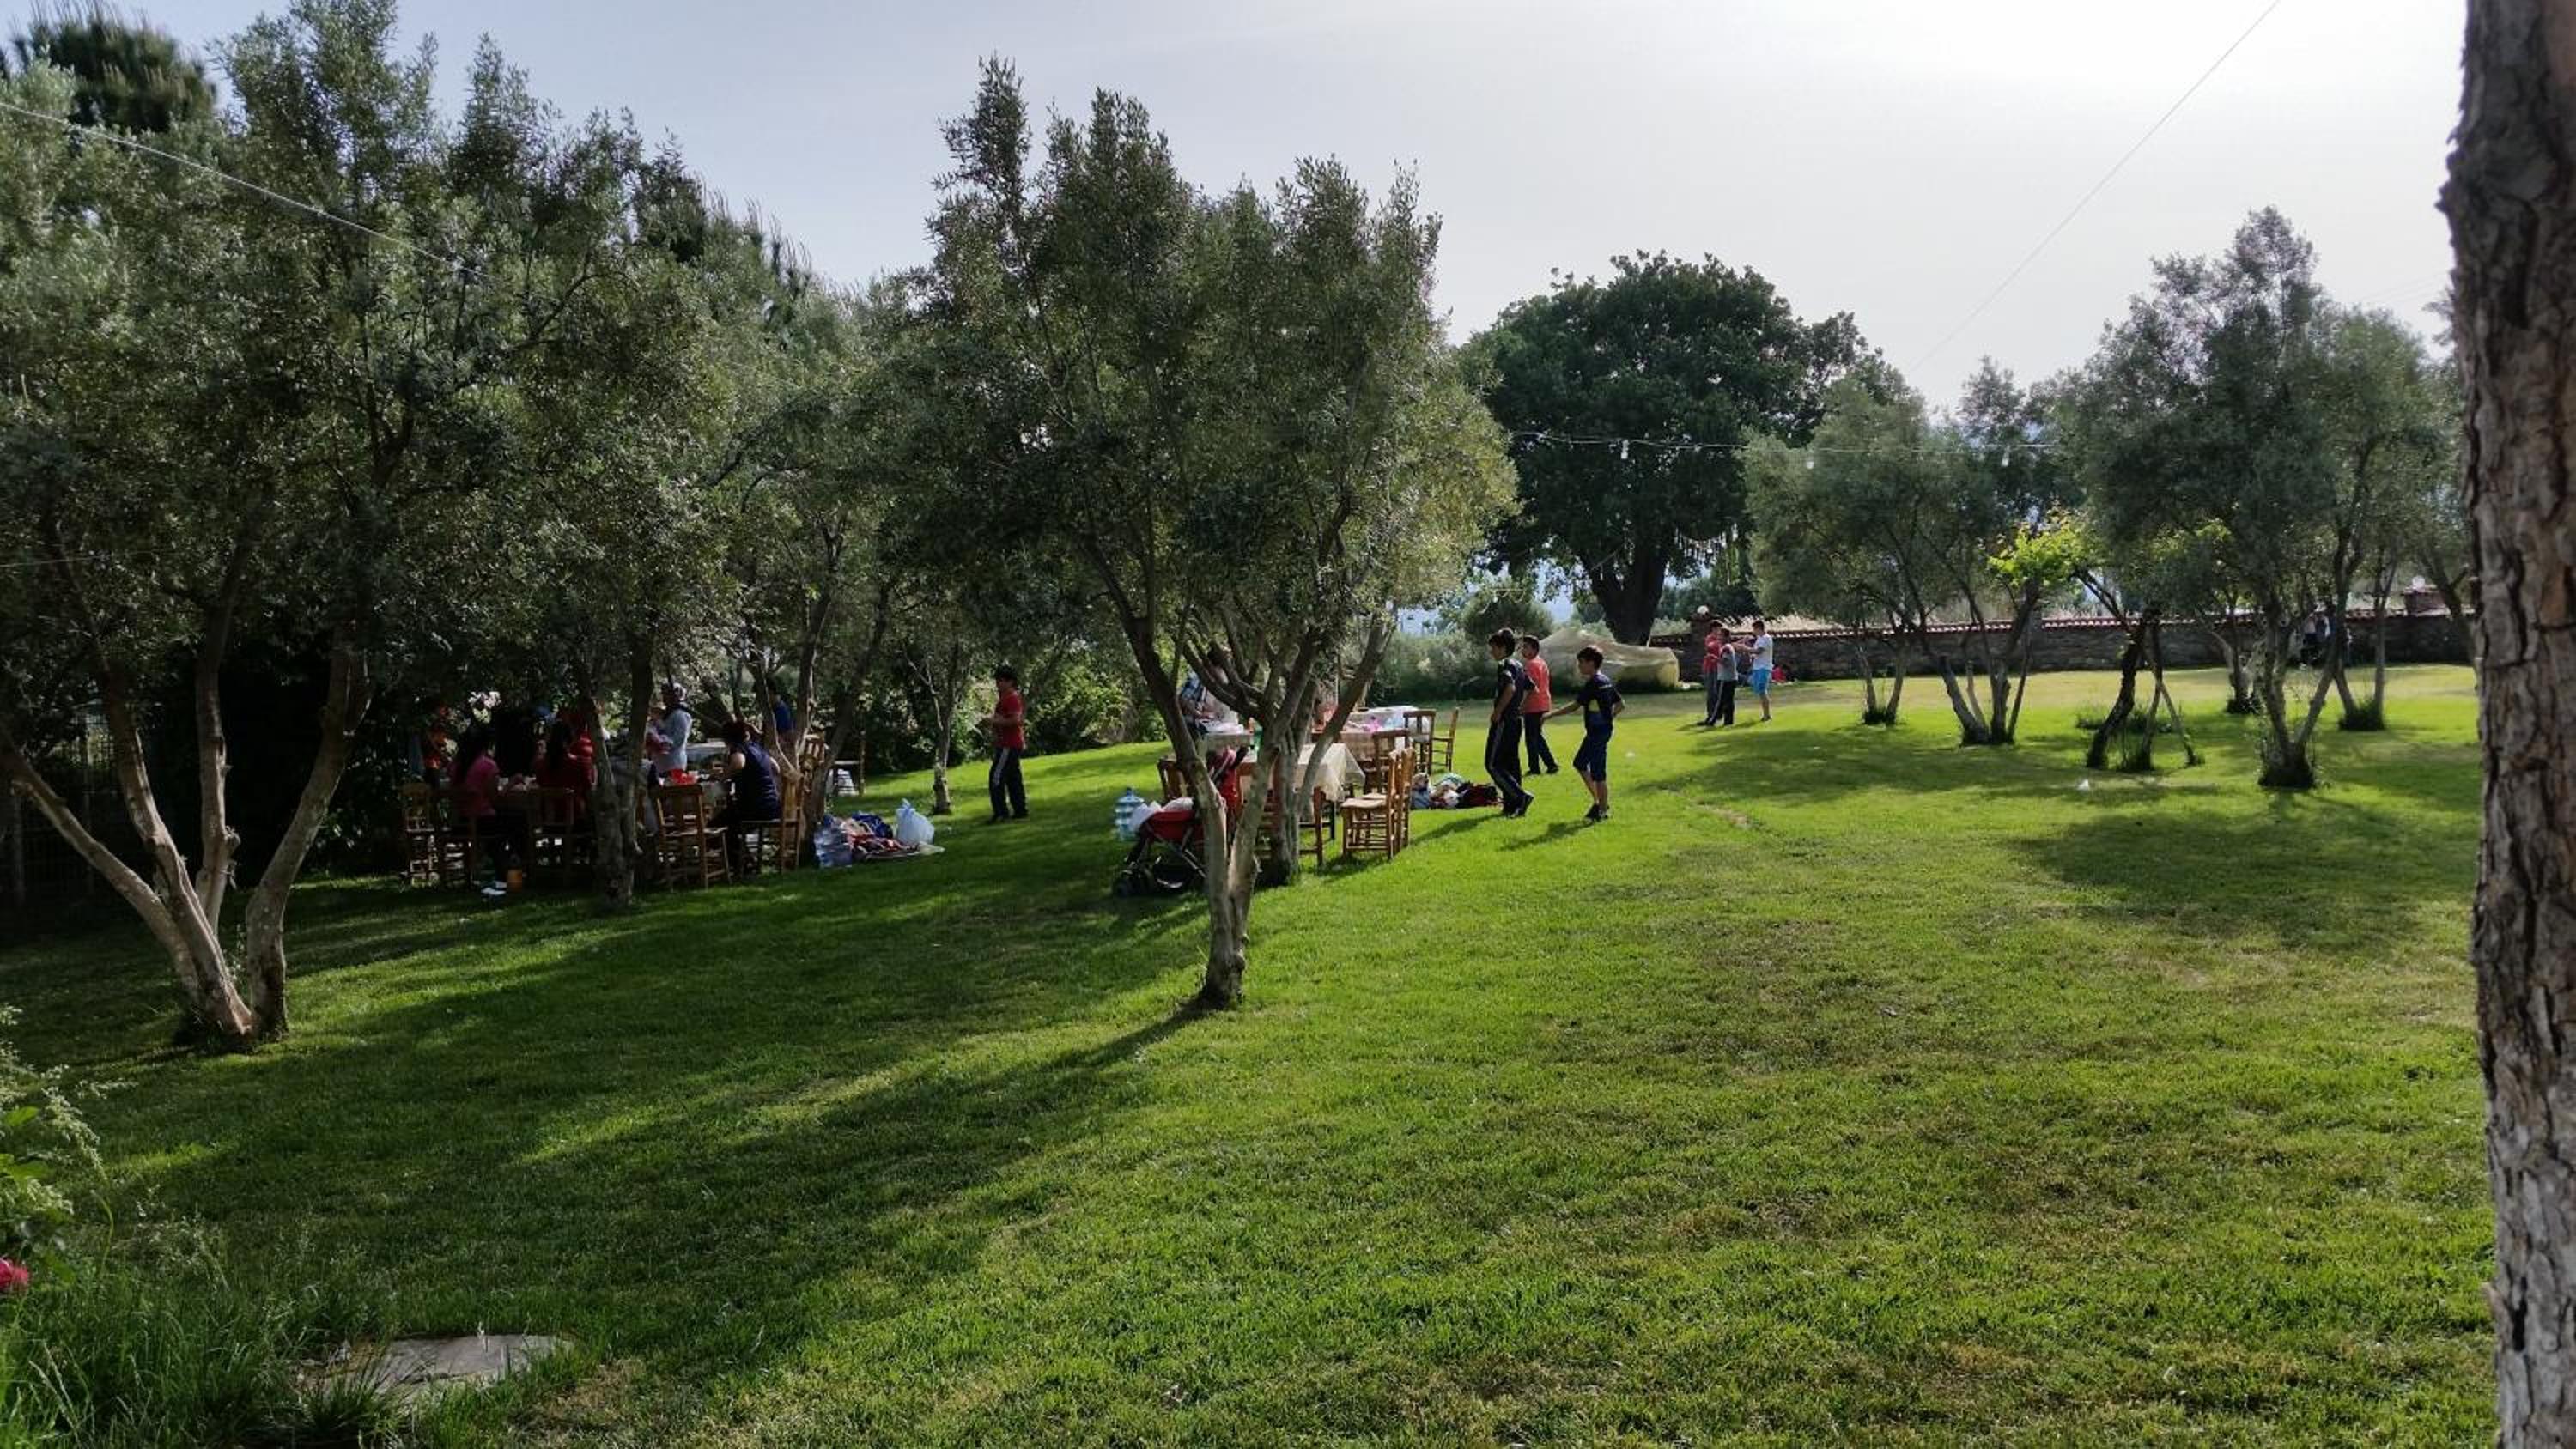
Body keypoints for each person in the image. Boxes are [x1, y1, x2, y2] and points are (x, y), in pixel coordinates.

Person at [1547, 643, 1625, 822]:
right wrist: (1609, 718)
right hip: (1600, 732)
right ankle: (1599, 801)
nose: (1579, 666)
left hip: (1598, 734)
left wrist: (1551, 715)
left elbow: (1575, 706)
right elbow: (1621, 705)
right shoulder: (1606, 681)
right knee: (1580, 763)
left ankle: (1603, 810)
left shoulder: (1594, 684)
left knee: (1598, 774)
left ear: (1591, 663)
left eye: (1581, 662)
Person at [713, 718, 781, 871]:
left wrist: (723, 776)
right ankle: (746, 862)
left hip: (754, 807)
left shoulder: (738, 748)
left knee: (715, 827)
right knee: (728, 823)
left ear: (728, 739)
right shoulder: (758, 748)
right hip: (772, 805)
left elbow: (738, 764)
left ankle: (743, 865)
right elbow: (776, 768)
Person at [1484, 628, 1534, 818]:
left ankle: (1520, 797)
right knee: (1511, 762)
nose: (1491, 652)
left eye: (1493, 648)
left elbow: (1510, 688)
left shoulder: (1505, 664)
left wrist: (1498, 712)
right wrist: (1520, 707)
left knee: (1492, 763)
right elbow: (1531, 688)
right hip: (1516, 721)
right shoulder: (1519, 665)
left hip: (1504, 722)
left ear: (1503, 647)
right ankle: (1511, 805)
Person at [979, 665, 1029, 822]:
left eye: (1001, 681)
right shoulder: (1003, 700)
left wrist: (993, 721)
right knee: (1013, 777)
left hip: (1009, 744)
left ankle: (1001, 813)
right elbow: (1001, 719)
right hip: (1007, 743)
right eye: (997, 680)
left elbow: (1016, 720)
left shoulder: (1012, 699)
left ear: (1010, 682)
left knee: (996, 777)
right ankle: (1020, 810)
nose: (998, 684)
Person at [533, 718, 594, 818]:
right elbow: (589, 791)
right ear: (571, 740)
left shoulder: (540, 764)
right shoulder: (581, 763)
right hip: (576, 817)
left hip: (547, 816)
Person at [1517, 634, 1558, 775]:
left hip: (1534, 705)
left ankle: (1537, 768)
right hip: (1543, 703)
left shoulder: (1531, 665)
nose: (1522, 650)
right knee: (1536, 736)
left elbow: (1530, 688)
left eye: (1525, 647)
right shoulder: (1541, 662)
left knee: (1532, 738)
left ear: (1534, 649)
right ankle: (1549, 765)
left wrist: (1522, 705)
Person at [646, 682, 692, 780]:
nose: (665, 698)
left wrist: (661, 743)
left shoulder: (680, 715)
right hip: (661, 765)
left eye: (668, 694)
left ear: (676, 696)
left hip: (674, 764)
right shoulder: (665, 715)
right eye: (664, 694)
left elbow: (679, 740)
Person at [1746, 619, 1776, 724]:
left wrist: (1745, 648)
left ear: (1759, 628)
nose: (1753, 631)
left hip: (1764, 667)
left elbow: (1759, 651)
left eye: (1754, 629)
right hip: (1757, 667)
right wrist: (1751, 655)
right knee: (1760, 691)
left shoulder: (1766, 638)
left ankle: (1767, 715)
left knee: (1762, 691)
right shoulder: (1759, 639)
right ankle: (1766, 714)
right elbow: (1756, 653)